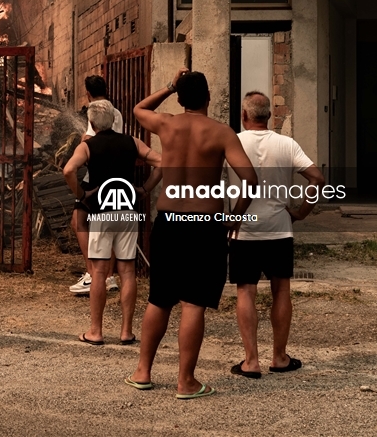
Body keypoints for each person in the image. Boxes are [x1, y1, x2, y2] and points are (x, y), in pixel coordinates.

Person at [125, 68, 258, 399]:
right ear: (209, 98)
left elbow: (139, 110)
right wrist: (235, 217)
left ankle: (143, 371)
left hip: (169, 220)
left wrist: (169, 86)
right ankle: (185, 382)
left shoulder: (166, 124)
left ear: (180, 99)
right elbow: (251, 179)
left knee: (160, 299)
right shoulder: (222, 132)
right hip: (203, 223)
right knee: (194, 302)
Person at [227, 91, 325, 379]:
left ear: (244, 116)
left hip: (243, 229)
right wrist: (302, 212)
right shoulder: (287, 144)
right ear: (269, 115)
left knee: (246, 290)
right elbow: (317, 179)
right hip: (279, 227)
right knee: (281, 289)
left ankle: (251, 361)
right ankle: (280, 357)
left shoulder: (232, 142)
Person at [62, 100, 162, 345]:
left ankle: (95, 331)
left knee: (98, 272)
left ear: (93, 123)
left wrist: (81, 195)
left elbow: (68, 171)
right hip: (127, 212)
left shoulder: (88, 146)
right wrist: (145, 189)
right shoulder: (131, 142)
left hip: (102, 213)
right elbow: (161, 162)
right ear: (114, 120)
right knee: (127, 271)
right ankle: (126, 331)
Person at [69, 75, 125, 295]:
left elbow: (91, 141)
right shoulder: (116, 112)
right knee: (107, 226)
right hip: (116, 176)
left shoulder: (95, 111)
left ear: (88, 93)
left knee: (78, 221)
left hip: (95, 177)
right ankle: (108, 276)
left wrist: (82, 140)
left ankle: (93, 273)